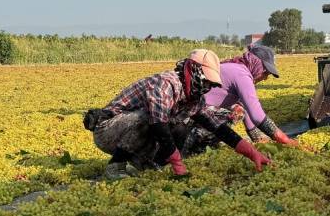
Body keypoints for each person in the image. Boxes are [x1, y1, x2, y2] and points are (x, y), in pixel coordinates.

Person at [84, 49, 272, 180]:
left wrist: (253, 153)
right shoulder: (165, 84)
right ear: (195, 71)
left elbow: (218, 128)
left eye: (211, 84)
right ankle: (115, 165)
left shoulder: (194, 98)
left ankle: (148, 165)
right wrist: (177, 163)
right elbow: (158, 123)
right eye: (206, 81)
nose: (207, 87)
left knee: (180, 125)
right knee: (151, 117)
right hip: (107, 130)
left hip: (131, 133)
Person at [171, 44, 307, 156]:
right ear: (257, 64)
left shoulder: (238, 68)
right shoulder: (242, 74)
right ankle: (194, 145)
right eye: (265, 72)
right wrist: (286, 141)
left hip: (191, 111)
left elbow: (246, 109)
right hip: (189, 115)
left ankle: (200, 142)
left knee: (238, 110)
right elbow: (257, 116)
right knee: (232, 114)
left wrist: (257, 138)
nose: (265, 78)